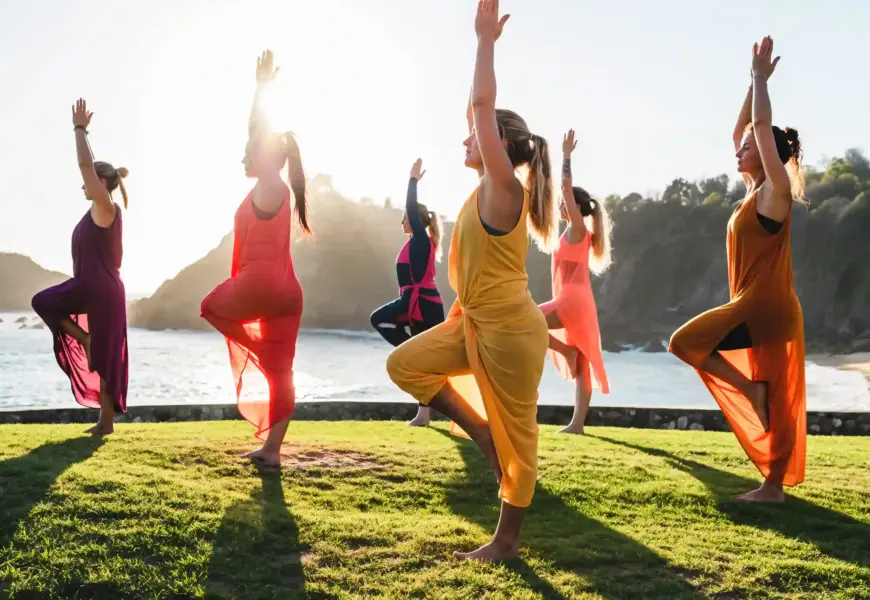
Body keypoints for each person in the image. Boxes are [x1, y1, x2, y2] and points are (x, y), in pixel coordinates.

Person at [387, 0, 554, 562]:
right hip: (474, 321)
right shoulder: (484, 188)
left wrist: (484, 43)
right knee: (404, 364)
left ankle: (505, 542)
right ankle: (480, 433)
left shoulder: (506, 189)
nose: (465, 140)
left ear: (500, 145)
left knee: (519, 439)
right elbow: (475, 109)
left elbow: (482, 105)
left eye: (476, 137)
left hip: (509, 331)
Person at [669, 36, 806, 503]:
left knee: (684, 343)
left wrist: (761, 80)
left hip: (764, 305)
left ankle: (753, 397)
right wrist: (750, 84)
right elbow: (743, 129)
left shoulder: (776, 192)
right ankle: (773, 486)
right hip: (758, 305)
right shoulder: (753, 190)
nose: (739, 150)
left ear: (768, 152)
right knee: (777, 389)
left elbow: (760, 127)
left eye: (750, 147)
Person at [200, 50, 310, 467]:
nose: (243, 157)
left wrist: (261, 88)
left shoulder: (269, 184)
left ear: (265, 155)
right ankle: (273, 452)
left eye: (249, 152)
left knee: (209, 307)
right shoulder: (277, 189)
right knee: (282, 373)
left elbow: (257, 131)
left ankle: (257, 351)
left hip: (259, 282)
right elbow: (258, 137)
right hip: (287, 291)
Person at [32, 99, 129, 436]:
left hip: (101, 289)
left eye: (90, 180)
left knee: (106, 355)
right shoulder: (95, 211)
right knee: (42, 302)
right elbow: (88, 171)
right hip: (92, 286)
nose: (83, 184)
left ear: (103, 182)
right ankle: (85, 340)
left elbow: (85, 166)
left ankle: (105, 422)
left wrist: (79, 129)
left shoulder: (106, 206)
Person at [539, 129, 611, 434]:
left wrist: (566, 155)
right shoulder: (572, 233)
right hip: (577, 301)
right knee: (582, 364)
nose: (559, 205)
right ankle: (577, 424)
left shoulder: (580, 230)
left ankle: (565, 352)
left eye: (563, 203)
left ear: (576, 208)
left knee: (526, 319)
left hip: (572, 300)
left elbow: (566, 187)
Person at [370, 158, 444, 427]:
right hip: (420, 304)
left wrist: (412, 181)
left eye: (405, 217)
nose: (402, 221)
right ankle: (423, 414)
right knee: (425, 359)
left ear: (414, 220)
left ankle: (410, 354)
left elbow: (412, 209)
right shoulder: (417, 242)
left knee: (377, 319)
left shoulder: (421, 239)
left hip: (421, 304)